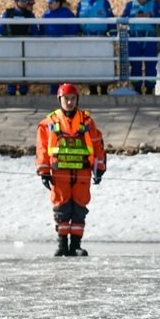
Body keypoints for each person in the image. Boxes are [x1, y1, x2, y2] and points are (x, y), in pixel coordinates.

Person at [35, 84, 106, 257]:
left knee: (79, 208)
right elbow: (42, 148)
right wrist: (44, 171)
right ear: (59, 100)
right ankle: (62, 244)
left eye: (73, 98)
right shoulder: (49, 122)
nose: (69, 102)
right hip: (60, 173)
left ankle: (75, 245)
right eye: (66, 98)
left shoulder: (87, 121)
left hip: (82, 172)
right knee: (61, 207)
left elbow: (98, 145)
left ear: (77, 100)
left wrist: (100, 168)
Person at [76, 0, 115, 95]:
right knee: (90, 64)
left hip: (102, 37)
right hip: (87, 38)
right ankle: (92, 90)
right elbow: (77, 22)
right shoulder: (81, 4)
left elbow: (110, 19)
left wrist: (114, 35)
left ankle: (104, 90)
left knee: (103, 64)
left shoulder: (104, 2)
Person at [0, 0, 38, 96]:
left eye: (25, 1)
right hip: (10, 47)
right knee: (11, 71)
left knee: (25, 70)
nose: (24, 3)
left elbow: (35, 32)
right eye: (22, 1)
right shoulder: (7, 14)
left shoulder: (30, 15)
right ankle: (11, 92)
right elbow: (0, 30)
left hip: (26, 47)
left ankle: (23, 92)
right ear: (15, 1)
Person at [121, 0, 160, 95]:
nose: (142, 0)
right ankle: (137, 89)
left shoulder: (154, 4)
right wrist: (133, 17)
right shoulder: (129, 5)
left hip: (149, 38)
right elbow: (122, 18)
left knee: (151, 65)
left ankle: (149, 89)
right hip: (134, 37)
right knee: (135, 65)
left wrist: (150, 16)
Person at [40, 0, 78, 96]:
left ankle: (67, 94)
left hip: (65, 49)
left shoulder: (67, 14)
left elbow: (73, 31)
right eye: (48, 2)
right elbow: (42, 32)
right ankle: (54, 94)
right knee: (53, 73)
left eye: (51, 2)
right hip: (51, 50)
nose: (49, 5)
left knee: (66, 73)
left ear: (58, 2)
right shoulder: (46, 15)